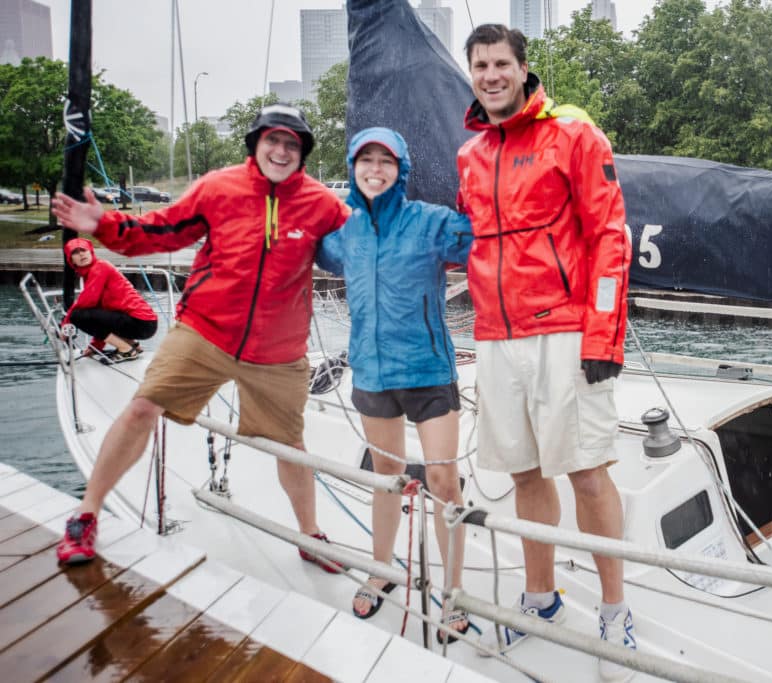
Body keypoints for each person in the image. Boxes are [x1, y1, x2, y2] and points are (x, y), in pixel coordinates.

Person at [50, 103, 350, 572]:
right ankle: (85, 514)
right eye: (272, 139)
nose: (281, 149)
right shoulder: (219, 187)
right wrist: (103, 225)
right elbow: (161, 231)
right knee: (142, 407)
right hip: (205, 332)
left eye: (292, 143)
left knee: (292, 445)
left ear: (303, 153)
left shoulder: (323, 204)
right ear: (256, 144)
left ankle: (309, 536)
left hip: (279, 352)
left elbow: (367, 247)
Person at [456, 24, 636, 680]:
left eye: (501, 63)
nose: (491, 74)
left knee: (587, 469)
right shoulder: (470, 155)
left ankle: (615, 609)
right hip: (498, 337)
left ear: (523, 68)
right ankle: (542, 598)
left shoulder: (573, 136)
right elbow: (473, 240)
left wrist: (604, 334)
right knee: (524, 473)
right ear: (472, 73)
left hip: (564, 330)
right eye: (480, 65)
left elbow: (610, 237)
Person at [316, 127, 473, 643]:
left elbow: (481, 239)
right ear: (353, 168)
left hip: (428, 372)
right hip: (373, 374)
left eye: (386, 160)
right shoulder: (344, 233)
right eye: (366, 160)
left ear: (400, 168)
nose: (375, 169)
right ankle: (382, 569)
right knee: (385, 477)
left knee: (443, 481)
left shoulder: (430, 222)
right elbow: (302, 246)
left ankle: (454, 591)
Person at [61, 237, 157, 362]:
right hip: (144, 323)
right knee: (86, 314)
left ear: (90, 252)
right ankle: (132, 345)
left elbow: (86, 302)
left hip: (141, 323)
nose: (81, 254)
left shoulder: (99, 267)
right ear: (71, 260)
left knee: (77, 316)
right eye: (75, 252)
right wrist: (95, 347)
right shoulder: (91, 272)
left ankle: (126, 350)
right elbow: (100, 316)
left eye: (83, 250)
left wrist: (66, 322)